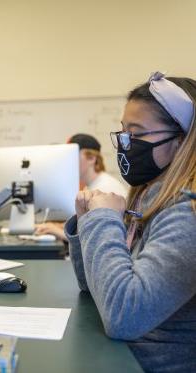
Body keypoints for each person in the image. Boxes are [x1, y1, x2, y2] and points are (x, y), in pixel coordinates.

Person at [65, 72, 196, 372]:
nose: (125, 143)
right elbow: (94, 286)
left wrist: (102, 221)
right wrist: (87, 223)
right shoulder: (148, 197)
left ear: (181, 141)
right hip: (128, 357)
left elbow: (124, 315)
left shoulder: (187, 213)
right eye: (123, 132)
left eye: (136, 134)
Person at [35, 133, 127, 241]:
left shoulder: (105, 188)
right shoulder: (94, 184)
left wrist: (55, 230)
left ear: (91, 158)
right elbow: (85, 224)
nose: (67, 162)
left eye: (72, 156)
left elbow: (97, 237)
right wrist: (54, 226)